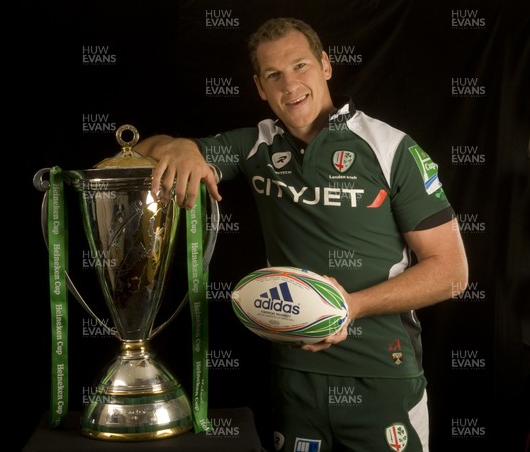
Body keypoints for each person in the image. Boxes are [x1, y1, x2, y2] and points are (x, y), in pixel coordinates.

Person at [135, 17, 468, 452]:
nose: (290, 84)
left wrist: (350, 306)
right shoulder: (256, 145)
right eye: (274, 75)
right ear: (259, 87)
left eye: (300, 66)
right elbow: (141, 151)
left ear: (326, 66)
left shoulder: (391, 148)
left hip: (383, 376)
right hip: (294, 381)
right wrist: (174, 147)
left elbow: (452, 272)